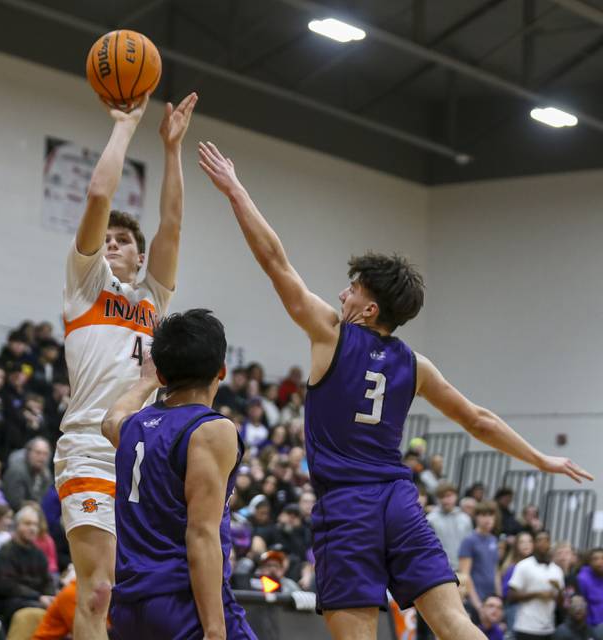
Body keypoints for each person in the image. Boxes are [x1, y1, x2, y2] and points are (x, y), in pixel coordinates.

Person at [198, 139, 593, 640]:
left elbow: (275, 260)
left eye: (353, 288)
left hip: (346, 506)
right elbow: (479, 420)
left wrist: (235, 190)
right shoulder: (416, 365)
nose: (342, 293)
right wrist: (542, 459)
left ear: (368, 309)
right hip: (399, 500)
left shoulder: (331, 334)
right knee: (454, 622)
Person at [56, 91, 197, 640]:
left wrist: (172, 148)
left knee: (136, 590)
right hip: (91, 443)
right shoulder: (85, 283)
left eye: (124, 241)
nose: (112, 244)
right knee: (98, 589)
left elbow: (173, 222)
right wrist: (126, 125)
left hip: (144, 455)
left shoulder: (153, 301)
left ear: (140, 257)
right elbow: (98, 194)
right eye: (107, 239)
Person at [102, 309, 256, 639]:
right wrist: (215, 629)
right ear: (222, 370)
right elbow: (201, 535)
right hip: (182, 602)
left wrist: (144, 382)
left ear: (160, 373)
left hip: (129, 608)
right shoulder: (211, 430)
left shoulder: (133, 427)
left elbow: (110, 419)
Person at [0, 505, 55, 639]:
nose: (32, 528)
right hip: (12, 602)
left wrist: (50, 596)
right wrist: (38, 597)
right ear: (17, 526)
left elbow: (47, 580)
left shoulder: (39, 554)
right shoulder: (5, 553)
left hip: (38, 599)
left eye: (35, 525)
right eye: (27, 524)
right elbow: (6, 585)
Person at [508, 530, 565, 640]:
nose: (543, 543)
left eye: (546, 540)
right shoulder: (524, 566)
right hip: (526, 627)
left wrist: (559, 590)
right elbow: (511, 596)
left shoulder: (557, 570)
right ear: (534, 543)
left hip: (548, 628)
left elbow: (561, 603)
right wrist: (537, 594)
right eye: (539, 540)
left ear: (550, 543)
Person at [459, 501, 502, 613]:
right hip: (475, 600)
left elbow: (495, 570)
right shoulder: (469, 540)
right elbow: (465, 575)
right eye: (483, 515)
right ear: (476, 517)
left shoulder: (493, 540)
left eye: (491, 515)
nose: (488, 519)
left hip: (491, 600)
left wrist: (499, 596)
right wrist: (477, 604)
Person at [427, 482, 473, 571]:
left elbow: (469, 546)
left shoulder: (465, 519)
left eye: (448, 496)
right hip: (438, 569)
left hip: (462, 569)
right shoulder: (430, 519)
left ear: (456, 496)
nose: (445, 500)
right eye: (441, 497)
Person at [1, 436, 51, 511]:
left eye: (45, 454)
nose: (41, 457)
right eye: (38, 453)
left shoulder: (46, 475)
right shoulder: (17, 471)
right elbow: (15, 503)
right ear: (28, 453)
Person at [577, 548, 603, 628]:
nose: (600, 562)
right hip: (591, 625)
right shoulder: (582, 579)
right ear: (589, 562)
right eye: (595, 559)